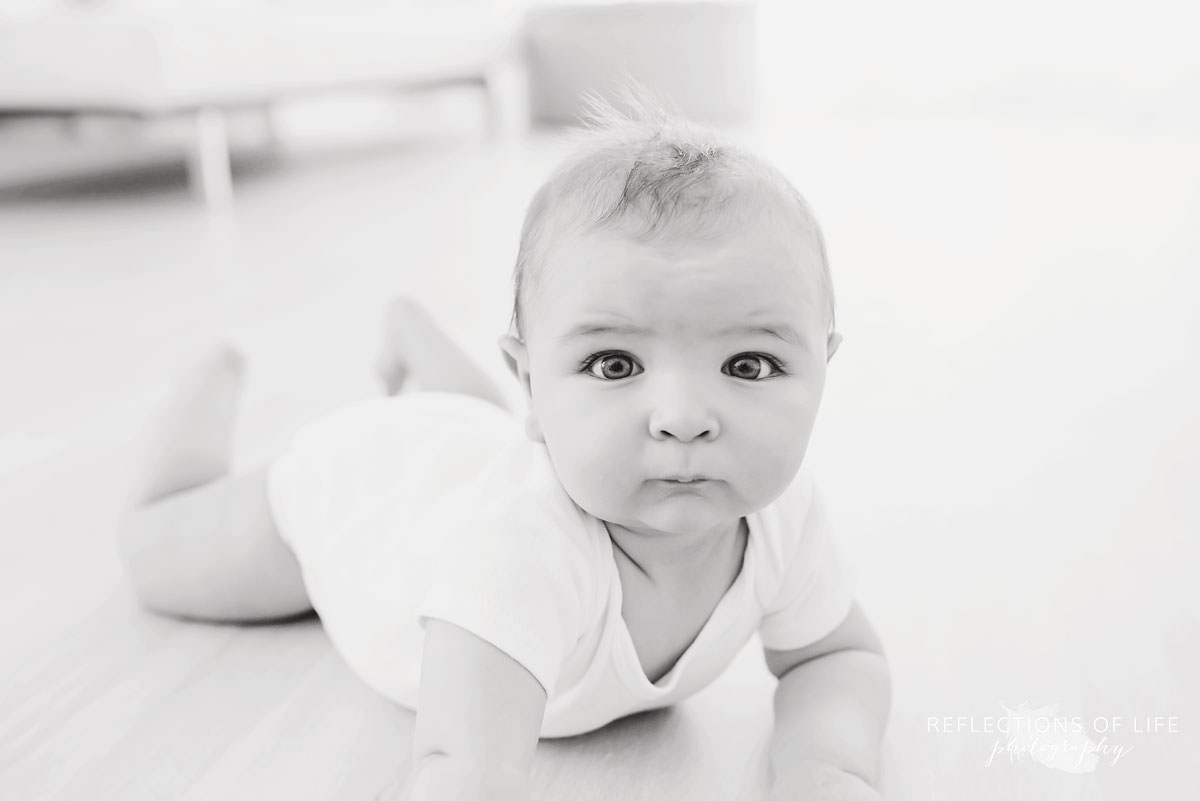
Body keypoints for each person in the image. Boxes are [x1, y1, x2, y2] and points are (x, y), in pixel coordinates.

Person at [117, 97, 892, 800]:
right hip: (365, 494)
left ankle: (420, 342)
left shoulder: (785, 514)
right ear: (535, 381)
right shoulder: (519, 552)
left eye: (747, 365)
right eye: (614, 364)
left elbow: (836, 657)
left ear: (824, 366)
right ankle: (202, 381)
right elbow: (464, 766)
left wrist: (828, 766)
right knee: (158, 550)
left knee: (477, 425)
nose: (683, 419)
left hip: (477, 447)